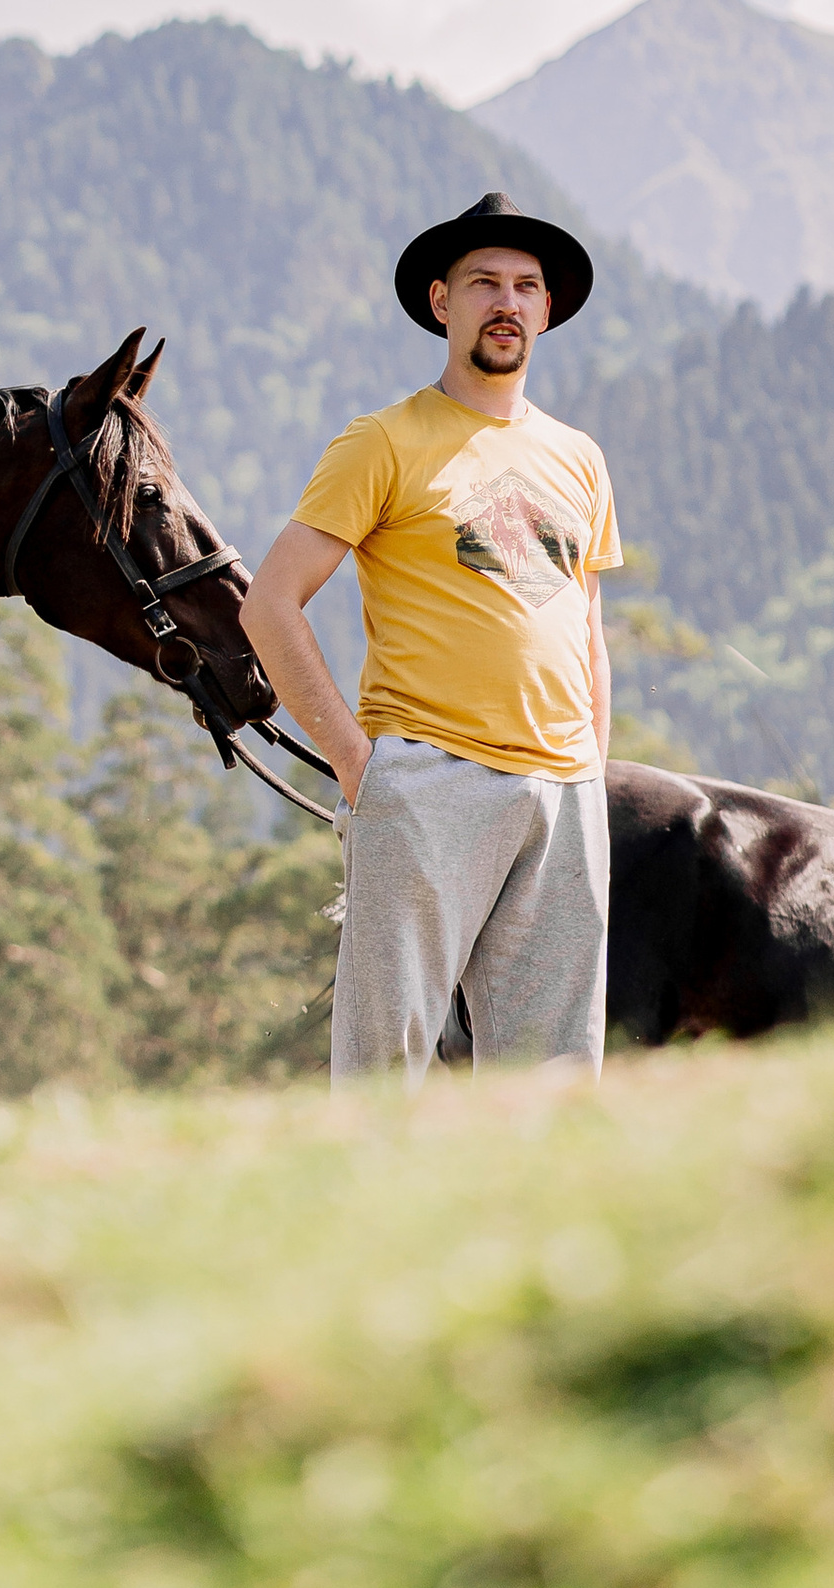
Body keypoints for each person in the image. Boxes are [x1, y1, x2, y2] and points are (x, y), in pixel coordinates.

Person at [239, 188, 621, 1083]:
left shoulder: (579, 456)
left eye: (527, 287)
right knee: (387, 1069)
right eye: (484, 283)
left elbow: (587, 629)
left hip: (564, 793)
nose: (507, 303)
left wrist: (592, 777)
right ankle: (369, 1226)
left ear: (547, 310)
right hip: (427, 782)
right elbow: (269, 605)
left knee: (557, 1077)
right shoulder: (385, 442)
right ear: (442, 303)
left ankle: (530, 1230)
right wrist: (360, 768)